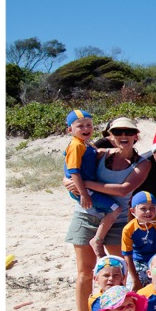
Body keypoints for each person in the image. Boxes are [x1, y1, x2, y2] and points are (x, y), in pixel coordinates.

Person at [65, 116, 141, 311]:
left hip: (117, 220)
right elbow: (73, 168)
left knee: (120, 273)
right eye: (118, 132)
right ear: (110, 135)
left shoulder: (140, 161)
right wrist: (67, 180)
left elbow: (123, 189)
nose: (123, 136)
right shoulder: (96, 150)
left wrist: (83, 185)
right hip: (86, 216)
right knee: (84, 273)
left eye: (128, 132)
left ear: (136, 135)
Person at [63, 109, 122, 258]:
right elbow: (74, 171)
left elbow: (96, 152)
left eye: (89, 125)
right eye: (80, 126)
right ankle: (97, 240)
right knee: (115, 208)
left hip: (86, 187)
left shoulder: (84, 144)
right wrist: (83, 193)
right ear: (70, 129)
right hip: (83, 189)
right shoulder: (76, 145)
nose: (86, 129)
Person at [121, 191, 156, 291]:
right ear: (133, 211)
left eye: (152, 208)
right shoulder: (128, 229)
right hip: (137, 261)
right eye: (143, 209)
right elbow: (128, 256)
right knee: (134, 289)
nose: (148, 212)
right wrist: (135, 280)